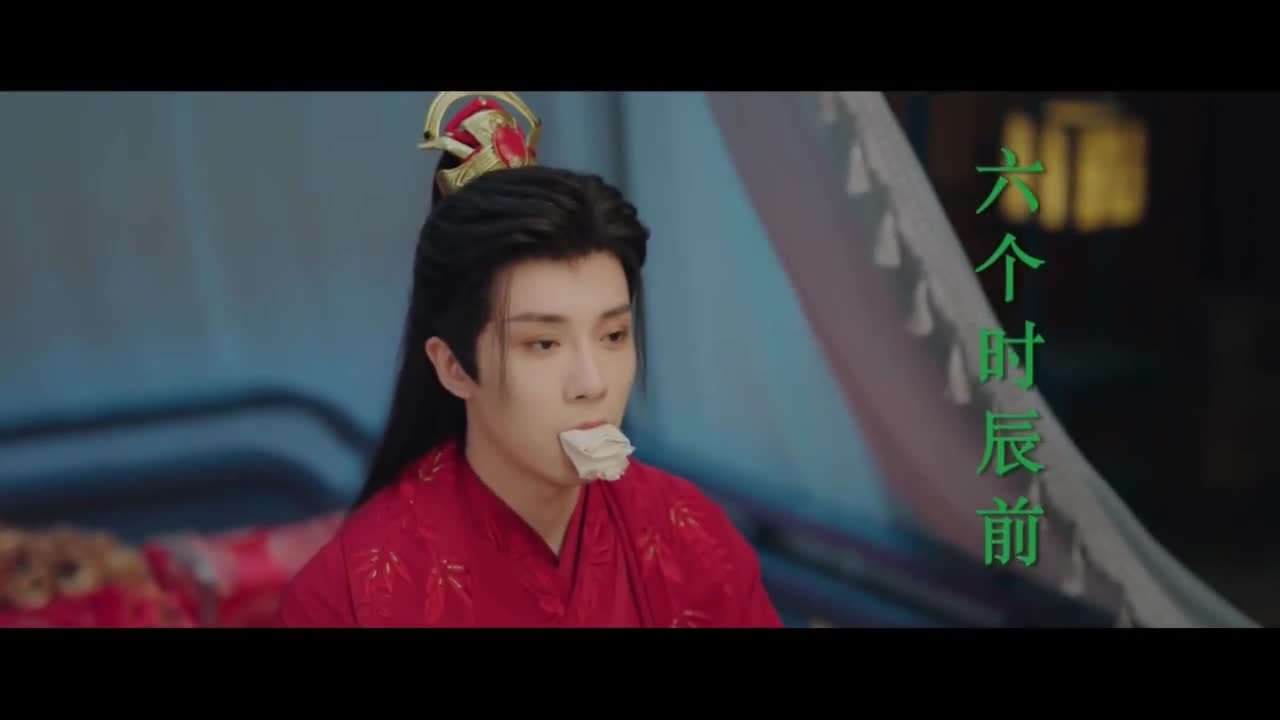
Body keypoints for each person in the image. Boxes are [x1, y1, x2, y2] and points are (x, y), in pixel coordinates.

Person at [275, 91, 783, 628]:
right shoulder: (346, 597)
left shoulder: (691, 536)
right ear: (453, 366)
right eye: (543, 343)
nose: (591, 383)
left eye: (613, 335)